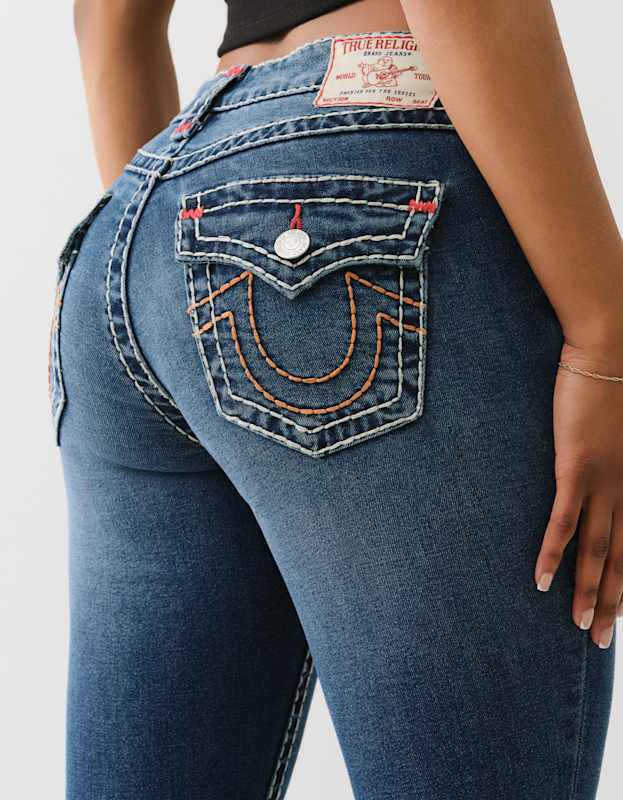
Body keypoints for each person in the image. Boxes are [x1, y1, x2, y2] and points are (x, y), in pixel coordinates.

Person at [51, 0, 622, 797]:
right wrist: (604, 340)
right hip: (361, 188)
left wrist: (192, 266)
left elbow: (110, 17)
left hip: (142, 216)